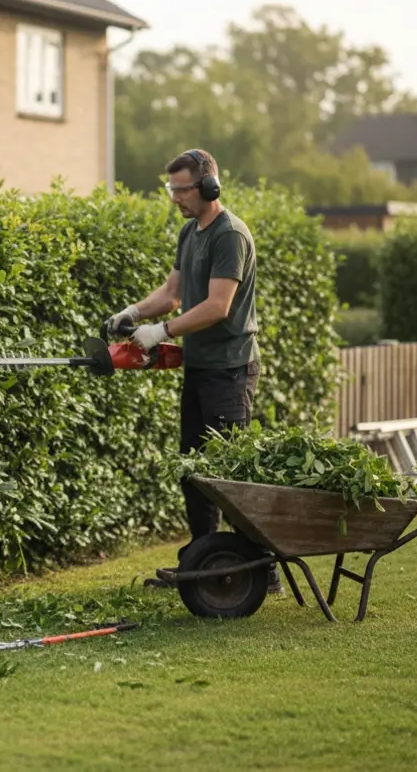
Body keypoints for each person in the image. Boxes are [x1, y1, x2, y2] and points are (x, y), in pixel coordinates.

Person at [104, 148, 281, 596]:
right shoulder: (190, 233)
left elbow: (218, 307)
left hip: (231, 370)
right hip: (200, 369)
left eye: (182, 190)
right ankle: (202, 561)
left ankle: (263, 569)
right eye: (172, 189)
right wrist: (133, 313)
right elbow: (172, 293)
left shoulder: (229, 235)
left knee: (229, 475)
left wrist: (160, 331)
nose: (175, 198)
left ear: (209, 187)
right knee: (194, 472)